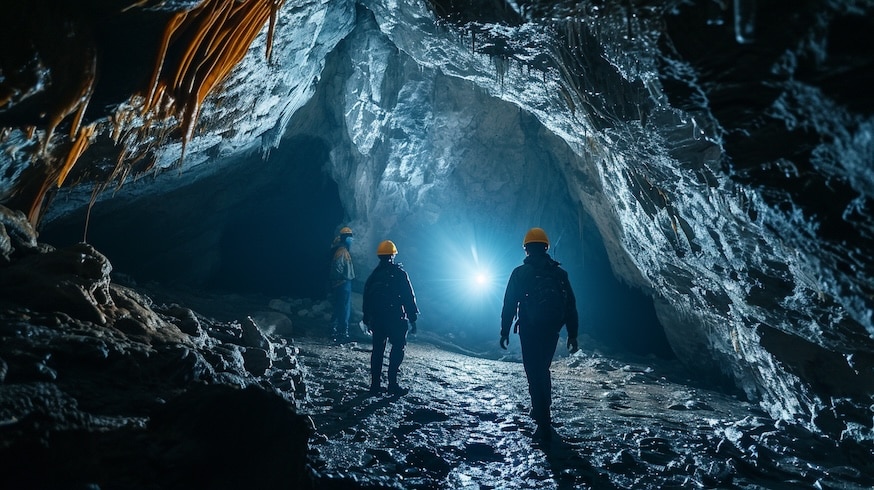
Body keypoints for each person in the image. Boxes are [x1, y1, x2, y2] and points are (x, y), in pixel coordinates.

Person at [500, 227, 579, 440]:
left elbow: (509, 303)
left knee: (533, 371)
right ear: (546, 247)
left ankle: (542, 417)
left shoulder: (520, 273)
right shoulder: (560, 274)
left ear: (526, 249)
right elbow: (570, 305)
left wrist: (504, 330)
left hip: (529, 328)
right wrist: (572, 334)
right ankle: (543, 410)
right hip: (552, 328)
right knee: (543, 369)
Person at [362, 240, 419, 396]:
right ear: (393, 255)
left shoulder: (374, 275)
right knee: (398, 347)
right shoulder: (399, 274)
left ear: (379, 256)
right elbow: (408, 296)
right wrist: (412, 318)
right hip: (395, 317)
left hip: (378, 319)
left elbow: (367, 297)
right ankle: (392, 384)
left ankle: (375, 386)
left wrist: (367, 318)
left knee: (378, 351)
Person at [329, 226, 355, 344]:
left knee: (339, 308)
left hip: (342, 284)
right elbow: (337, 269)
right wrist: (340, 280)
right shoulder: (342, 252)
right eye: (350, 237)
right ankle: (342, 333)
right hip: (343, 284)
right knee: (343, 309)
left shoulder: (341, 250)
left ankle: (334, 331)